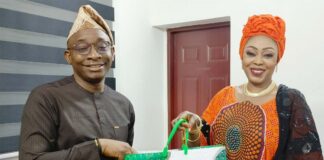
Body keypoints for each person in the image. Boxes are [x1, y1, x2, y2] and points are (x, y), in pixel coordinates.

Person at [172, 14, 323, 160]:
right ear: (242, 56)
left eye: (268, 55)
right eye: (251, 53)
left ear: (277, 59)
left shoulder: (291, 102)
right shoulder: (223, 97)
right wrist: (193, 130)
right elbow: (200, 152)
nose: (258, 61)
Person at [19, 5, 136, 160]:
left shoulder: (124, 104)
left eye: (102, 47)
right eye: (82, 48)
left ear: (112, 53)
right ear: (68, 56)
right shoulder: (46, 98)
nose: (94, 55)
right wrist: (98, 147)